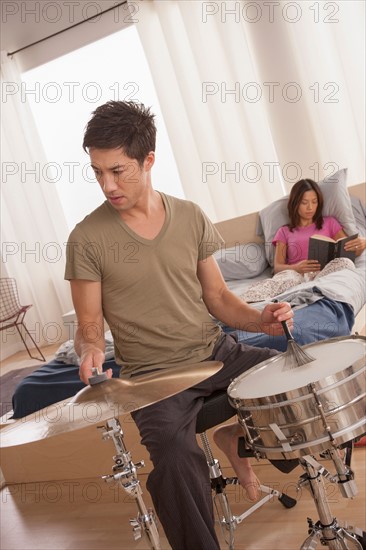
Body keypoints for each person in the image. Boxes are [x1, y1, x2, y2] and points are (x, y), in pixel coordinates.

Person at [64, 100, 293, 550]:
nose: (107, 185)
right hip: (153, 379)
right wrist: (89, 352)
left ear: (149, 160)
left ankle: (237, 440)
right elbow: (89, 324)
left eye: (118, 170)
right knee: (173, 457)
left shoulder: (189, 216)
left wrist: (260, 319)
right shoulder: (87, 238)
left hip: (216, 354)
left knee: (294, 372)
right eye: (97, 172)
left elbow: (220, 298)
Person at [273, 178, 365, 276]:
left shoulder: (330, 223)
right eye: (304, 203)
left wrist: (363, 242)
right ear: (295, 204)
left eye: (314, 202)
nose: (310, 207)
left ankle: (316, 286)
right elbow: (277, 267)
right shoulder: (284, 231)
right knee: (277, 282)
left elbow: (349, 253)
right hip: (296, 276)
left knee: (346, 263)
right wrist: (296, 268)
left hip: (324, 273)